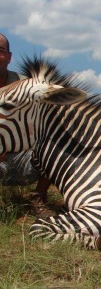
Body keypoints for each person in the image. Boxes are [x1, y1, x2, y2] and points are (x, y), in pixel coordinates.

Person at [0, 33, 52, 216]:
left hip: (20, 155)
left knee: (53, 145)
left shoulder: (25, 86)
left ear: (8, 57)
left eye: (0, 51)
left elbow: (42, 124)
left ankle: (38, 197)